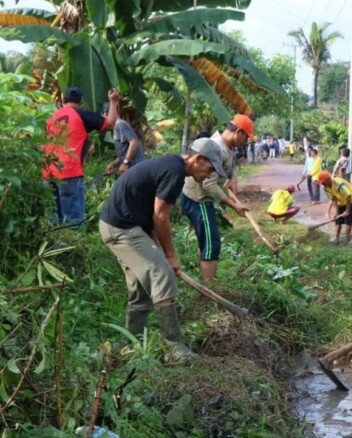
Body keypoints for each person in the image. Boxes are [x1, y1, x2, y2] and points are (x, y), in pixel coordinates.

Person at [99, 138, 227, 360]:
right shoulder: (175, 172)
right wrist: (170, 256)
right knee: (162, 274)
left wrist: (159, 250)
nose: (210, 174)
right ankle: (175, 348)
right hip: (122, 229)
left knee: (140, 288)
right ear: (198, 159)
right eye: (210, 168)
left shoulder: (170, 165)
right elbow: (160, 216)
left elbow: (151, 216)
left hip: (120, 226)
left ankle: (132, 346)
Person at [180, 115, 255, 282]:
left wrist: (233, 177)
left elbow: (230, 164)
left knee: (205, 240)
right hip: (199, 200)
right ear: (239, 132)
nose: (246, 142)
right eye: (247, 137)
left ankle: (206, 279)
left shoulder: (227, 146)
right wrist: (234, 205)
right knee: (211, 243)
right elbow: (209, 186)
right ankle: (210, 287)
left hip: (199, 198)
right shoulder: (217, 149)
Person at [43, 86, 120, 226]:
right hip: (68, 172)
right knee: (73, 222)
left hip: (48, 172)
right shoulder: (81, 115)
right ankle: (74, 247)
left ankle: (54, 246)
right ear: (81, 101)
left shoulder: (50, 117)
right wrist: (113, 101)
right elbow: (111, 124)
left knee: (53, 221)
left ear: (63, 100)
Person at [103, 102, 146, 177]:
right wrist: (113, 164)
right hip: (133, 168)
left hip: (137, 167)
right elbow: (124, 152)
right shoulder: (116, 127)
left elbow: (133, 142)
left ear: (106, 113)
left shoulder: (121, 124)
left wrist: (125, 163)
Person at [318, 170, 352, 244]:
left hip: (351, 199)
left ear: (328, 179)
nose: (322, 184)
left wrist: (347, 210)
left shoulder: (339, 184)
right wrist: (336, 213)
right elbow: (333, 199)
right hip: (341, 200)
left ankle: (347, 240)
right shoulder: (326, 187)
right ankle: (336, 239)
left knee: (348, 221)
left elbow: (348, 196)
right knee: (338, 221)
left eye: (323, 182)